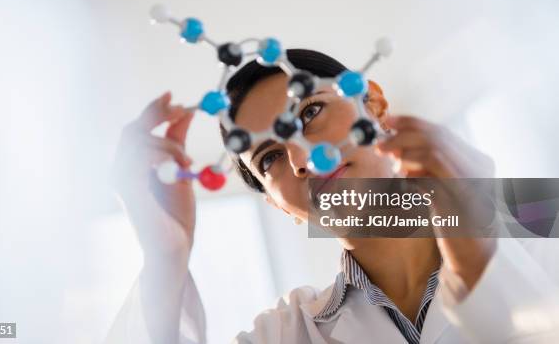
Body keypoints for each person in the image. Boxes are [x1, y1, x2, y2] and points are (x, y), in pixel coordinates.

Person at [106, 50, 559, 343]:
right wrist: (165, 262)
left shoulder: (540, 219)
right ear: (276, 203)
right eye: (269, 159)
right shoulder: (287, 334)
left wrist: (479, 254)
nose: (302, 158)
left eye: (311, 111)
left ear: (374, 106)